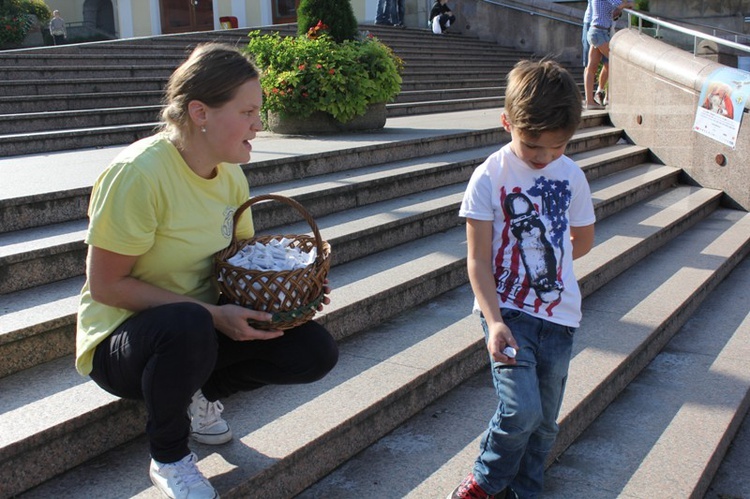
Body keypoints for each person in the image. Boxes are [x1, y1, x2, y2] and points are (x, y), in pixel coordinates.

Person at [75, 43, 339, 499]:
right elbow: (105, 285)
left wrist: (291, 296)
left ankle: (195, 393)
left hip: (198, 327)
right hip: (123, 340)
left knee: (313, 350)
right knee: (189, 322)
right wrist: (212, 315)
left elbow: (238, 270)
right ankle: (170, 458)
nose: (259, 124)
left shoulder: (230, 174)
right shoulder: (138, 173)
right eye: (248, 111)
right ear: (200, 112)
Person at [449, 59, 596, 499]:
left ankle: (526, 490)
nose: (544, 157)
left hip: (560, 317)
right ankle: (486, 480)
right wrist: (494, 320)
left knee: (546, 421)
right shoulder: (489, 177)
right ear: (506, 122)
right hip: (508, 312)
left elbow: (583, 241)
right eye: (532, 145)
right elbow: (477, 261)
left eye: (558, 146)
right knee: (520, 411)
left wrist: (549, 263)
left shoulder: (572, 176)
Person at [584, 0, 633, 109]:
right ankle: (607, 97)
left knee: (592, 68)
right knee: (616, 62)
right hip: (599, 33)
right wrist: (628, 4)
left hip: (597, 31)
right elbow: (620, 3)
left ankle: (590, 101)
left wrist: (621, 7)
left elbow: (614, 11)